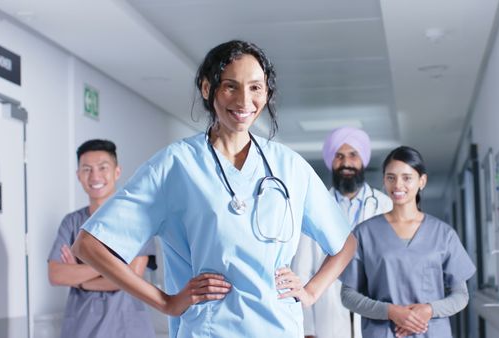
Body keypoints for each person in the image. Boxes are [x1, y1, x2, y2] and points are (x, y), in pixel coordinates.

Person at [71, 40, 357, 338]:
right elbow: (89, 245)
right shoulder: (175, 166)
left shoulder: (289, 166)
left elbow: (344, 242)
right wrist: (166, 302)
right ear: (208, 89)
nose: (245, 100)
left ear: (267, 93)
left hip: (279, 328)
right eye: (231, 86)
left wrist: (311, 292)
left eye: (256, 87)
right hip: (209, 330)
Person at [339, 146, 476, 338]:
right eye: (391, 177)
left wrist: (428, 310)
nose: (398, 185)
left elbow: (461, 296)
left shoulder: (443, 234)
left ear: (422, 181)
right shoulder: (364, 233)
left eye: (407, 177)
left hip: (431, 332)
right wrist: (391, 312)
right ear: (384, 181)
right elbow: (348, 295)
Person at [47, 139, 156, 338]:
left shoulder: (136, 219)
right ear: (78, 175)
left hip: (127, 328)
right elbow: (56, 275)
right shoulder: (71, 223)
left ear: (117, 172)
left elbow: (131, 278)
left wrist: (78, 279)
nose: (95, 176)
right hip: (82, 326)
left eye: (102, 167)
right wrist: (114, 267)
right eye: (87, 169)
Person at [292, 126, 392, 338]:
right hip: (327, 312)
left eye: (353, 155)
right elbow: (302, 270)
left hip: (377, 311)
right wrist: (307, 328)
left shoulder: (385, 206)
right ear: (331, 161)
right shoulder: (314, 207)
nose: (346, 163)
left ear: (363, 160)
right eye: (339, 156)